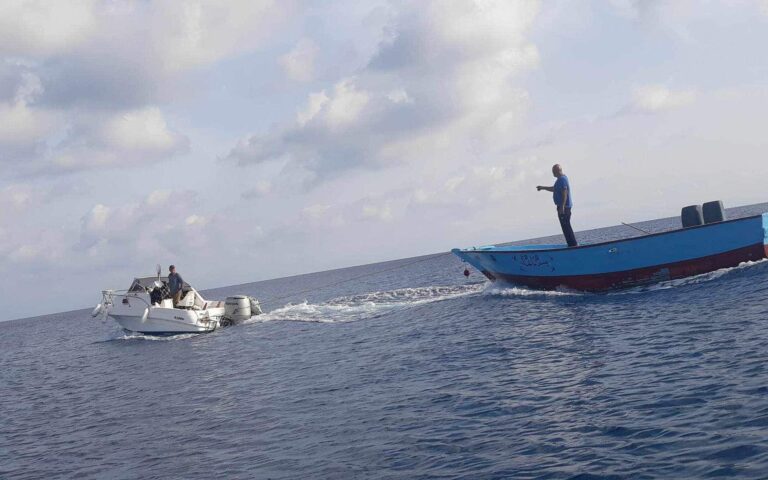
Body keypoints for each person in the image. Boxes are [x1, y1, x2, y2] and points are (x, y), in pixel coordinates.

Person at [537, 164, 578, 247]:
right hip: (563, 207)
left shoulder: (562, 179)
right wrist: (543, 188)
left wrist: (562, 206)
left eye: (553, 172)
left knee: (566, 226)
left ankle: (573, 245)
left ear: (557, 171)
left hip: (564, 208)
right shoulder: (560, 180)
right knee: (565, 226)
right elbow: (554, 189)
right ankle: (571, 244)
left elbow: (564, 192)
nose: (552, 173)